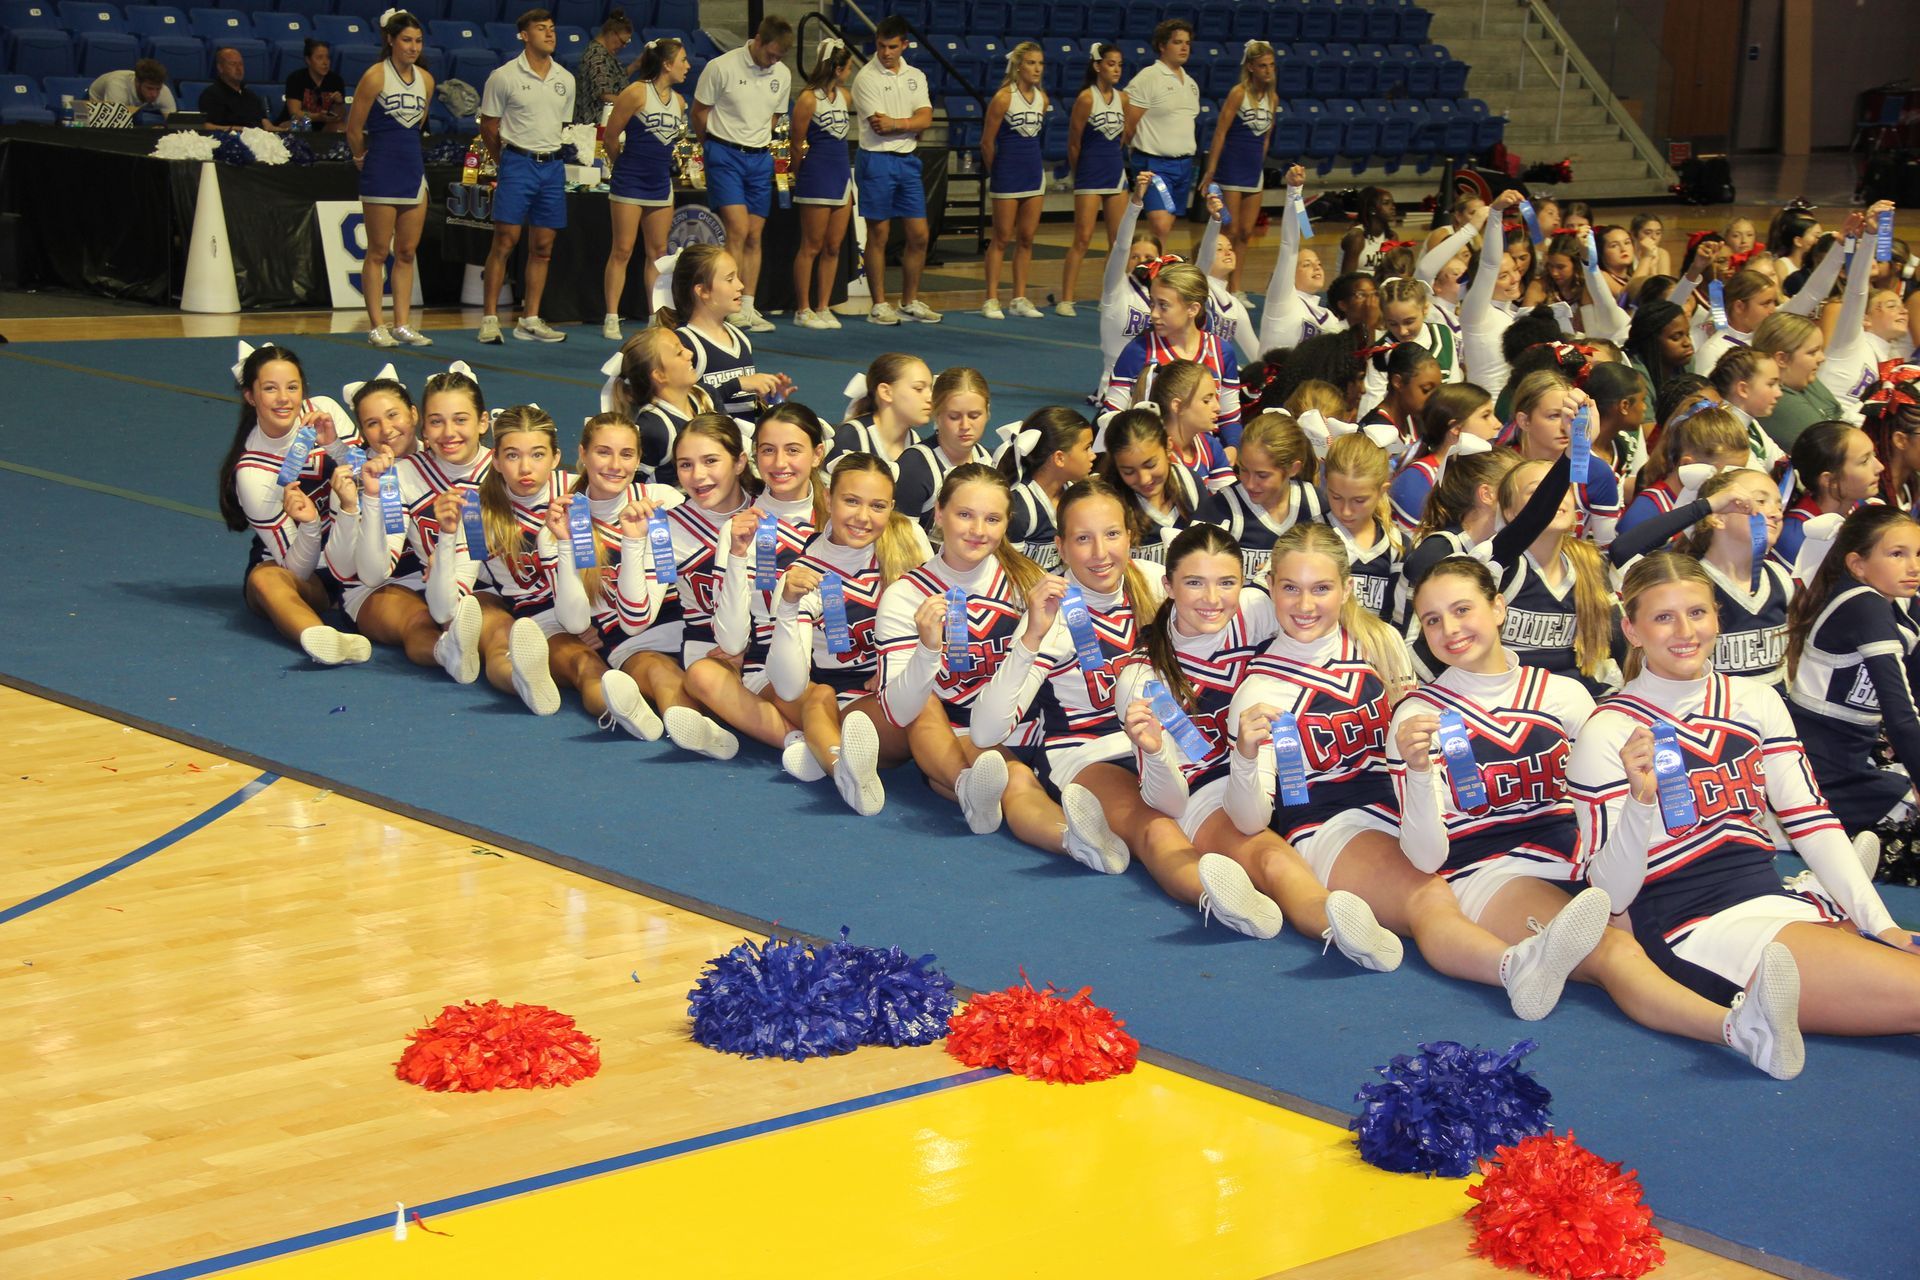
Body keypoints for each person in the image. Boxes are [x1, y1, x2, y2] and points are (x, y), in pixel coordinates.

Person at [1394, 556, 1803, 1076]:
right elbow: (1426, 856)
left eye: (1461, 609)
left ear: (1499, 608)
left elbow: (1601, 800)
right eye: (1432, 620)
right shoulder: (1417, 715)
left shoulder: (1564, 694)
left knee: (1661, 922)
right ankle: (1739, 1030)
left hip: (1578, 857)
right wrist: (1416, 773)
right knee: (1615, 951)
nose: (1449, 629)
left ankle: (1778, 938)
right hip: (1495, 869)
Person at [1570, 551, 1920, 1037]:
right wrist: (1639, 802)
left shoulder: (1755, 700)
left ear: (1717, 615)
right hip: (1691, 926)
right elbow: (1610, 893)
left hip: (1769, 895)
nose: (1685, 632)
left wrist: (1882, 925)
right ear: (1632, 630)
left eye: (1696, 613)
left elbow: (1810, 819)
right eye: (1663, 618)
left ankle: (1831, 904)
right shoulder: (1608, 730)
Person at [215, 344, 359, 665]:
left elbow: (373, 478)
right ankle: (324, 640)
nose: (284, 398)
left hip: (355, 554)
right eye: (270, 388)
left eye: (292, 387)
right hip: (306, 573)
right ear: (250, 396)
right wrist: (308, 524)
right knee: (264, 580)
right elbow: (296, 568)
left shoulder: (324, 411)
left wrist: (335, 445)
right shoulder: (253, 473)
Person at [477, 10, 576, 344]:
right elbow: (489, 125)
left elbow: (561, 126)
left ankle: (529, 318)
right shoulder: (503, 76)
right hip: (517, 161)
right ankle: (490, 317)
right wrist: (503, 161)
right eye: (541, 29)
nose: (550, 34)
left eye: (552, 28)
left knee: (544, 246)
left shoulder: (566, 79)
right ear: (523, 35)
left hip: (552, 165)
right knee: (504, 240)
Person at [692, 14, 793, 333]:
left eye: (779, 57)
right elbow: (699, 113)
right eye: (770, 53)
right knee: (736, 228)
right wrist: (713, 147)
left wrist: (756, 142)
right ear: (758, 41)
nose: (773, 61)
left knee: (754, 233)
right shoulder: (721, 67)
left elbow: (775, 117)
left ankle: (748, 305)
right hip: (724, 153)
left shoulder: (783, 74)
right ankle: (728, 306)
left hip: (760, 157)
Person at [347, 9, 433, 350]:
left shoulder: (427, 80)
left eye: (418, 41)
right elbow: (354, 128)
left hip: (413, 170)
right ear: (391, 41)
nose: (413, 47)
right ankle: (376, 325)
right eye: (406, 40)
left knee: (408, 251)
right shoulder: (374, 77)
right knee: (379, 251)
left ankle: (402, 324)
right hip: (381, 167)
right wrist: (360, 157)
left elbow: (419, 124)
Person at [852, 17, 941, 326]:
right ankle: (879, 303)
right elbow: (880, 124)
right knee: (879, 234)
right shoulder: (866, 78)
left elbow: (926, 117)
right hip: (876, 160)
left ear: (904, 45)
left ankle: (909, 300)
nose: (885, 52)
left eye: (892, 47)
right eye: (880, 46)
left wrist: (899, 124)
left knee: (919, 235)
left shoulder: (916, 76)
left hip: (907, 160)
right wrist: (909, 123)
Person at [602, 36, 689, 340]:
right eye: (683, 61)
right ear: (667, 64)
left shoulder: (679, 102)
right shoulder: (636, 92)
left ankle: (655, 316)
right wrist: (621, 167)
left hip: (659, 184)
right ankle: (612, 316)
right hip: (629, 180)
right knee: (622, 250)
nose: (688, 66)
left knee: (658, 253)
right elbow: (611, 137)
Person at [1057, 42, 1130, 317]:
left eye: (1120, 65)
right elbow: (1074, 142)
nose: (1116, 69)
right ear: (1097, 66)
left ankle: (1110, 296)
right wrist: (1080, 173)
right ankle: (1066, 299)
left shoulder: (1123, 99)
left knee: (1118, 241)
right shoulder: (1086, 98)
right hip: (1089, 173)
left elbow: (1123, 138)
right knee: (1083, 239)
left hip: (1114, 172)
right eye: (1111, 64)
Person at [1199, 40, 1275, 301]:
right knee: (1228, 231)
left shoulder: (1272, 98)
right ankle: (1214, 284)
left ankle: (1236, 288)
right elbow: (1220, 132)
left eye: (1271, 65)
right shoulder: (1238, 93)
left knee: (1245, 232)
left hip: (1254, 171)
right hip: (1231, 169)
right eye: (1263, 66)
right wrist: (1211, 171)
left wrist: (1259, 163)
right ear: (1251, 67)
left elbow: (1266, 137)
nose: (1268, 70)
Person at [789, 38, 856, 331]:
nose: (850, 72)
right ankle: (802, 308)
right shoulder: (808, 99)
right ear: (837, 67)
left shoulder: (845, 97)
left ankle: (823, 305)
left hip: (842, 175)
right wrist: (800, 172)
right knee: (811, 246)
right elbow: (795, 142)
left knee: (833, 246)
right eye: (848, 67)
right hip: (817, 175)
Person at [980, 43, 1049, 320]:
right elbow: (986, 142)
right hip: (1007, 174)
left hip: (1034, 173)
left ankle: (1019, 297)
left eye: (1040, 63)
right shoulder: (1003, 98)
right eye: (1031, 63)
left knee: (1027, 238)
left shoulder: (1042, 98)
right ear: (1019, 66)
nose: (1037, 69)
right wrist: (997, 170)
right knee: (1000, 238)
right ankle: (991, 298)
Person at [1123, 19, 1199, 243]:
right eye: (1177, 42)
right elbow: (1128, 123)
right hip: (1155, 164)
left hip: (1184, 165)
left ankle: (1154, 272)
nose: (1184, 47)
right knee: (1161, 226)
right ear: (1162, 46)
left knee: (1165, 229)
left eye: (1187, 43)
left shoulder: (1192, 83)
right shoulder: (1149, 77)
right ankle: (1141, 267)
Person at [572, 8, 633, 125]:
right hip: (595, 124)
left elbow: (614, 80)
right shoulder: (597, 56)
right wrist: (633, 107)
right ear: (611, 33)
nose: (623, 46)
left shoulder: (606, 52)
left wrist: (635, 65)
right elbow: (606, 95)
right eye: (622, 41)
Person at [200, 47, 282, 132]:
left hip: (257, 139)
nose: (239, 68)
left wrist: (286, 130)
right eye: (233, 64)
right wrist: (241, 130)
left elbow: (267, 125)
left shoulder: (250, 95)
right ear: (220, 68)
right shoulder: (211, 95)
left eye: (241, 64)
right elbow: (206, 126)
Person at [283, 40, 345, 131]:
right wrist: (318, 116)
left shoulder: (336, 80)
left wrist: (339, 103)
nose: (325, 62)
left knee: (343, 127)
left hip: (324, 125)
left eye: (327, 58)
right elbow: (295, 114)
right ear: (308, 60)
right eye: (320, 58)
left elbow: (339, 117)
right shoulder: (296, 78)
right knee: (300, 125)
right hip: (297, 122)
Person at [89, 59, 175, 123]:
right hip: (98, 101)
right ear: (137, 82)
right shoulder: (117, 86)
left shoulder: (164, 91)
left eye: (158, 89)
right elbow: (114, 123)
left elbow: (174, 125)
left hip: (133, 105)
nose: (154, 94)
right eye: (149, 88)